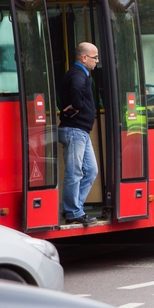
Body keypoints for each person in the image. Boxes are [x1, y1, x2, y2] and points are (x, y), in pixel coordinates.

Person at [58, 42, 99, 226]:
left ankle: (75, 209)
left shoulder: (80, 73)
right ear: (84, 57)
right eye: (94, 57)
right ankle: (73, 211)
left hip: (81, 131)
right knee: (74, 173)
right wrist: (77, 106)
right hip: (75, 130)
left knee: (91, 171)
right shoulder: (78, 74)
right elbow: (76, 90)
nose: (97, 61)